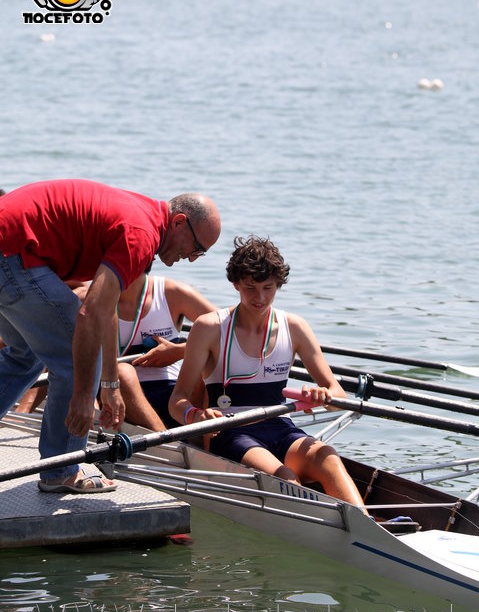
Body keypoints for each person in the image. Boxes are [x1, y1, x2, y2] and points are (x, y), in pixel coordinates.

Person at [0, 179, 221, 493]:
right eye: (198, 248)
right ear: (179, 223)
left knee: (25, 353)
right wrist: (81, 395)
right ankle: (61, 470)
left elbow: (106, 308)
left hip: (9, 247)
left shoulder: (143, 221)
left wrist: (110, 385)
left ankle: (60, 463)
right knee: (74, 356)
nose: (194, 258)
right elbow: (89, 315)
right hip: (13, 253)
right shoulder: (142, 235)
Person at [169, 236, 366, 510]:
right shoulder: (209, 328)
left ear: (278, 285)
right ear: (235, 283)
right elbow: (176, 401)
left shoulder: (295, 326)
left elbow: (337, 395)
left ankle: (366, 526)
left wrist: (322, 395)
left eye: (268, 288)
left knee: (329, 458)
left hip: (279, 426)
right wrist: (197, 415)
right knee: (284, 477)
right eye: (250, 287)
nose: (259, 298)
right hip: (229, 430)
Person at [117, 271, 216, 431]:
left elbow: (230, 333)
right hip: (121, 395)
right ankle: (168, 444)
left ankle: (203, 443)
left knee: (208, 362)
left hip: (174, 394)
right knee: (123, 373)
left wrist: (179, 351)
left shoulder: (173, 293)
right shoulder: (92, 299)